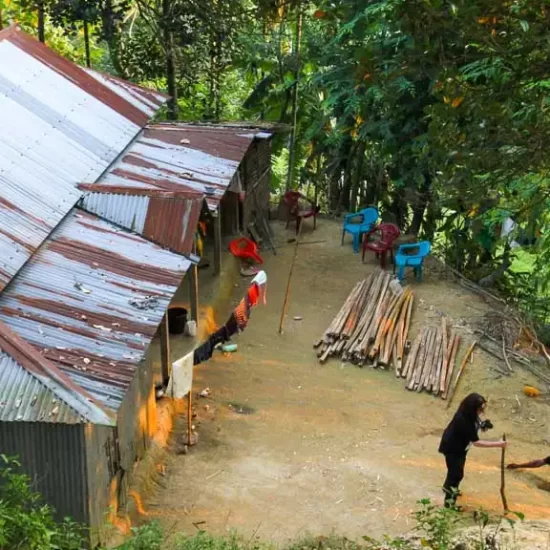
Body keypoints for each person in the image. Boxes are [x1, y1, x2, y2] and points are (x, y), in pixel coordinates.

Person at [439, 393, 507, 508]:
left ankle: (447, 487)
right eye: (480, 409)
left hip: (461, 447)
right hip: (453, 449)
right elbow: (477, 442)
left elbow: (475, 424)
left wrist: (482, 425)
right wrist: (499, 444)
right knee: (456, 475)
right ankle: (449, 504)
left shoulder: (468, 414)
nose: (482, 412)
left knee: (455, 471)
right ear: (472, 408)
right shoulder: (463, 421)